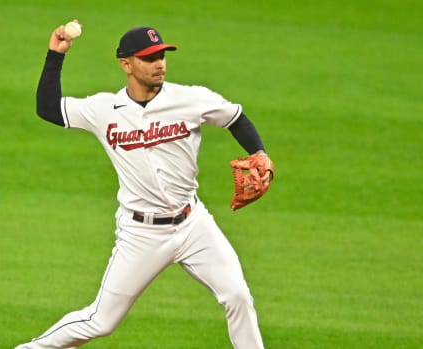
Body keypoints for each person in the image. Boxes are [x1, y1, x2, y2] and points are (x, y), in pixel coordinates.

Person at [15, 20, 273, 349]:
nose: (160, 64)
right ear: (127, 64)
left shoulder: (191, 99)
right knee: (101, 320)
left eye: (162, 56)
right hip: (141, 235)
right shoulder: (103, 109)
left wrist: (259, 153)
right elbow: (48, 108)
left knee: (238, 296)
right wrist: (56, 55)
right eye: (149, 58)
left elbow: (235, 117)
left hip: (194, 224)